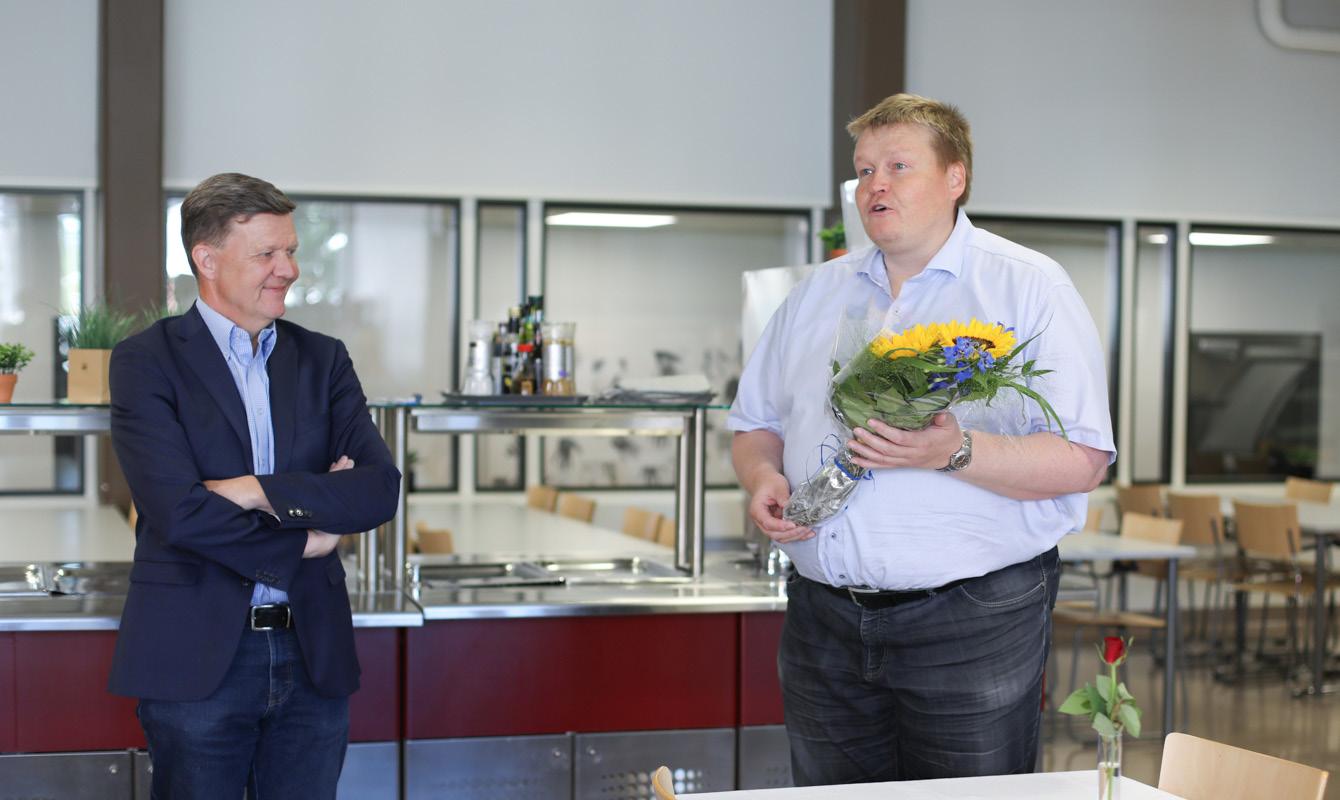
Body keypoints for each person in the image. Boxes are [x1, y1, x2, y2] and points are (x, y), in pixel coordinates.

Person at [729, 94, 1114, 784]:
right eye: (864, 170)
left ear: (955, 177)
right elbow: (755, 424)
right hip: (824, 620)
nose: (874, 185)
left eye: (898, 167)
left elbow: (1083, 460)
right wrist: (763, 478)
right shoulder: (816, 295)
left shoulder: (1028, 288)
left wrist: (954, 452)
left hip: (972, 622)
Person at [108, 172, 401, 798]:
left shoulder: (324, 359)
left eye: (290, 250)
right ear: (206, 260)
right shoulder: (146, 362)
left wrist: (250, 489)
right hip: (197, 657)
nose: (288, 269)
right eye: (267, 253)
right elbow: (179, 512)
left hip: (312, 652)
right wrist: (305, 537)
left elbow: (379, 489)